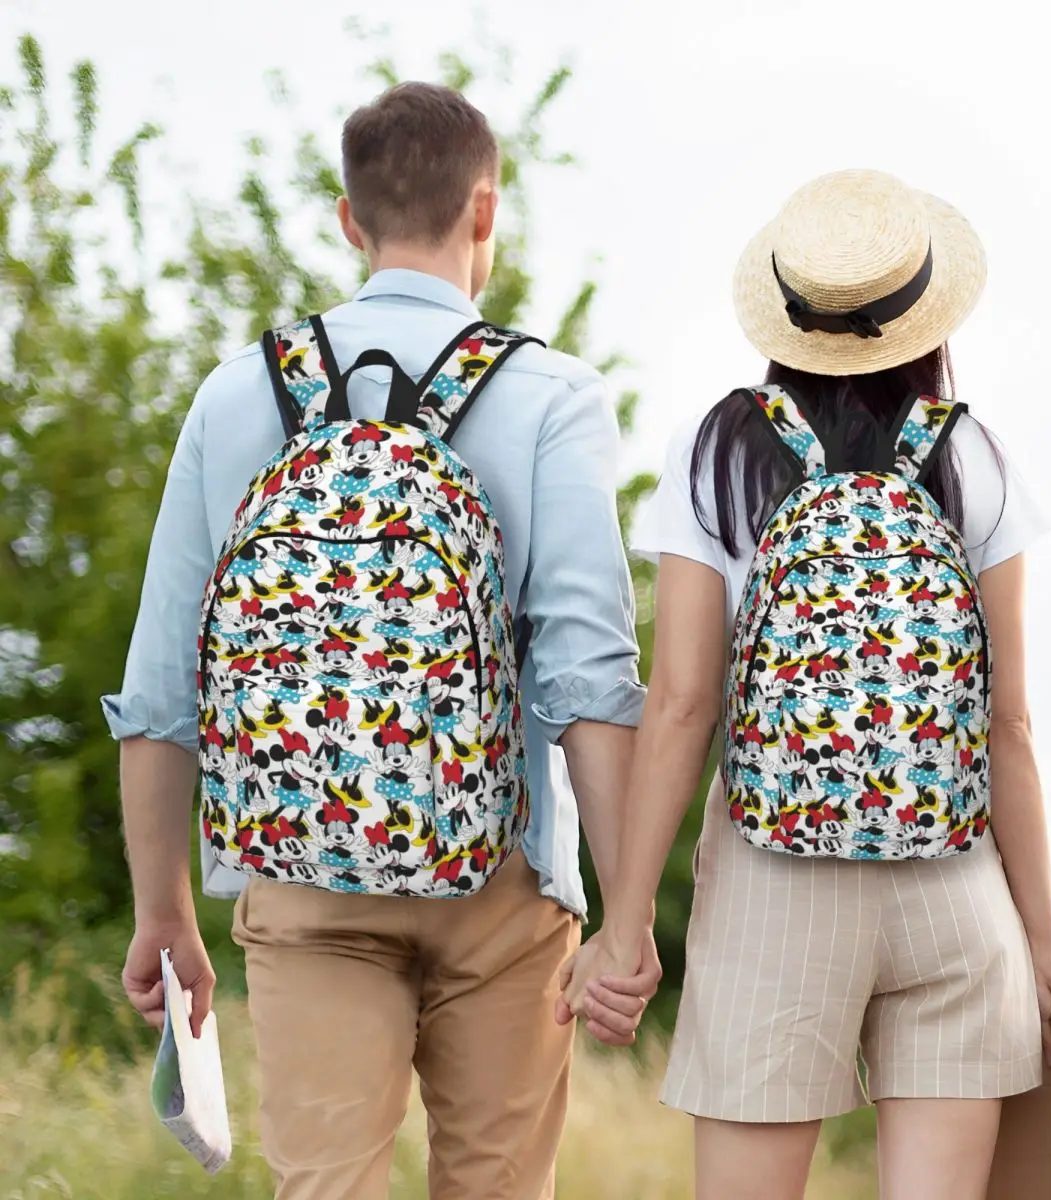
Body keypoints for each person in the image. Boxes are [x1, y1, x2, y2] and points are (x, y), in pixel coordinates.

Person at [105, 81, 661, 1200]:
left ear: (349, 219)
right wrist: (628, 915)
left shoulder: (236, 396)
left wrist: (163, 911)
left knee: (325, 1187)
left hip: (301, 877)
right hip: (502, 877)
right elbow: (589, 678)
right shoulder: (551, 394)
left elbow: (164, 684)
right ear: (486, 213)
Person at [559, 169, 1051, 1200]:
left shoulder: (720, 450)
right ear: (925, 315)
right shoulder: (973, 454)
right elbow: (1009, 723)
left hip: (773, 886)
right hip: (955, 888)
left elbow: (681, 706)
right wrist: (1043, 944)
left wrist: (624, 928)